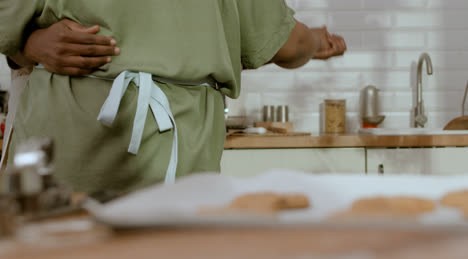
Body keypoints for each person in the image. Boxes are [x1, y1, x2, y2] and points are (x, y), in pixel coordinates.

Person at [1, 0, 346, 196]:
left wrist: (28, 45)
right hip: (181, 153)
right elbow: (287, 44)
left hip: (67, 150)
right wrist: (314, 42)